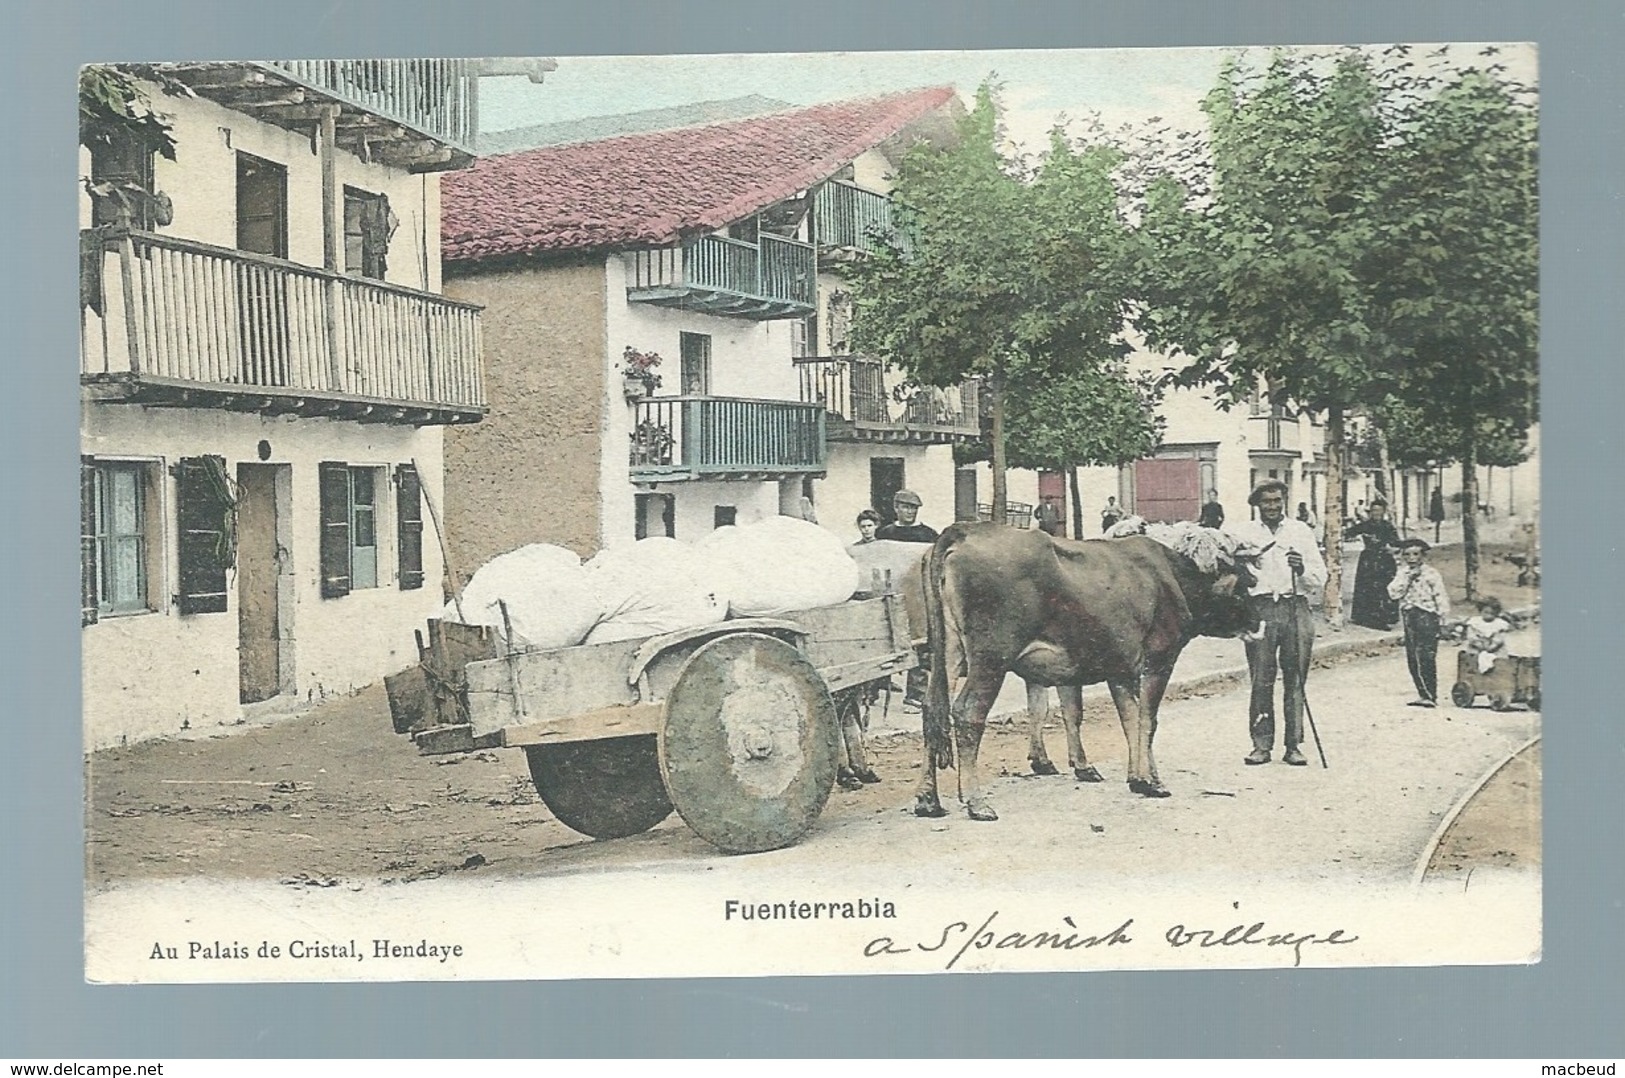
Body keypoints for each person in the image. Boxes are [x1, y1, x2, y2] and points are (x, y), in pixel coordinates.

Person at [1233, 478, 1329, 766]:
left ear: (1284, 501)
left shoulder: (1300, 531)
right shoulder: (1244, 533)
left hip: (1295, 607)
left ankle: (1293, 745)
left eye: (1277, 501)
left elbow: (1319, 577)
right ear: (1257, 504)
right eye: (1266, 502)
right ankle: (1261, 745)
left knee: (1295, 679)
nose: (1272, 507)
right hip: (1260, 609)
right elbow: (1234, 573)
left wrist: (1301, 570)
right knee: (1261, 679)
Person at [873, 490, 937, 706]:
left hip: (918, 597)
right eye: (905, 507)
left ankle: (916, 694)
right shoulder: (885, 534)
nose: (909, 512)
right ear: (896, 508)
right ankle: (877, 687)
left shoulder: (928, 535)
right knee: (883, 639)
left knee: (919, 642)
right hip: (891, 593)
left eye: (913, 508)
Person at [1388, 537, 1451, 707]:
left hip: (1427, 616)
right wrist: (1408, 579)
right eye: (1407, 554)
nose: (1411, 558)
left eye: (1416, 554)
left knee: (1426, 655)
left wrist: (1444, 620)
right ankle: (1423, 693)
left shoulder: (1431, 573)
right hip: (1409, 616)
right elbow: (1393, 593)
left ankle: (1431, 694)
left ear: (1423, 556)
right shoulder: (1402, 573)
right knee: (1412, 655)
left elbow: (1441, 596)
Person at [1344, 498, 1401, 630]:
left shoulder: (1388, 526)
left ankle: (1385, 618)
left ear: (1383, 511)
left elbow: (1396, 543)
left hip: (1384, 560)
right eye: (1374, 510)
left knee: (1384, 589)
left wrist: (1391, 548)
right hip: (1368, 560)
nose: (1376, 513)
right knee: (1367, 589)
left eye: (1379, 510)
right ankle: (1364, 617)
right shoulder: (1366, 525)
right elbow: (1349, 532)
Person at [1462, 596, 1512, 675]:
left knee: (1499, 660)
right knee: (1472, 656)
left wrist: (1491, 647)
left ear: (1496, 613)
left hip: (1494, 650)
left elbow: (1499, 639)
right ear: (1481, 611)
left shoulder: (1499, 624)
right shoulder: (1475, 622)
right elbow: (1471, 637)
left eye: (1492, 613)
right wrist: (1479, 645)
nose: (1489, 616)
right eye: (1486, 612)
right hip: (1477, 649)